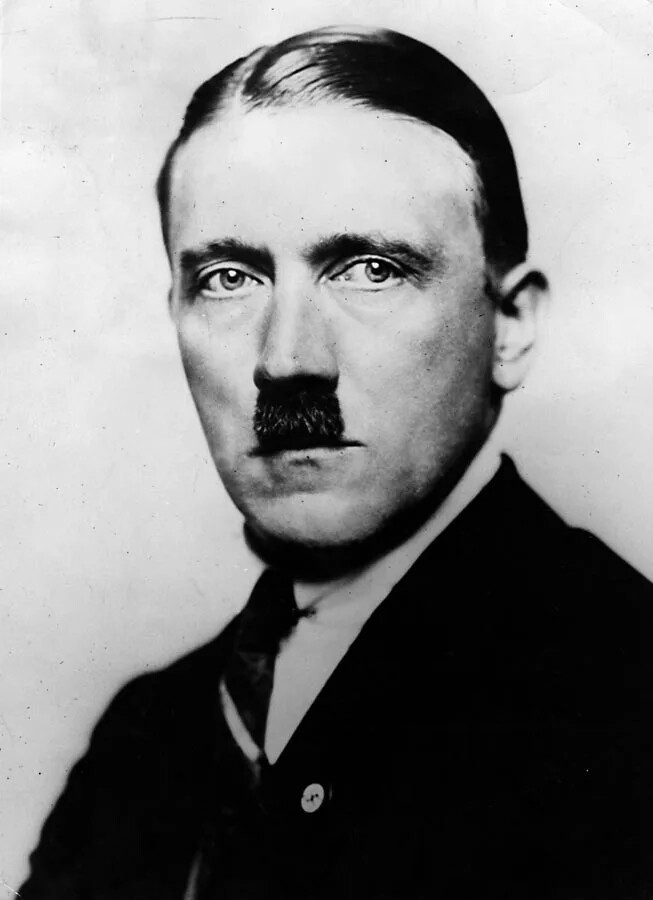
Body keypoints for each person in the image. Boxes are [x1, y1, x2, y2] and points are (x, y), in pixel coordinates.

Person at [20, 24, 653, 900]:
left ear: (510, 326)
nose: (287, 359)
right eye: (229, 278)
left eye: (369, 269)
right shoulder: (144, 740)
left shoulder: (626, 699)